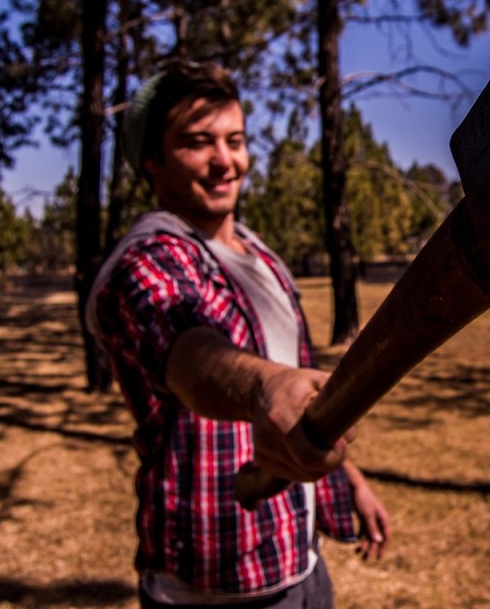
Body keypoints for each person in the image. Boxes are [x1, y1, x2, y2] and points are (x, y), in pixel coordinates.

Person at [86, 59, 389, 608]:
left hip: (300, 561)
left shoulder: (263, 259)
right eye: (199, 142)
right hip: (213, 585)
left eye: (236, 140)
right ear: (152, 160)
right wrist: (263, 387)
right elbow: (189, 353)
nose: (226, 161)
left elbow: (300, 407)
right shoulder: (148, 259)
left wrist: (353, 481)